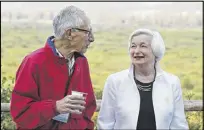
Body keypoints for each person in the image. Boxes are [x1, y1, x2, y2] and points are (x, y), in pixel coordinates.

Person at [10, 6, 96, 130]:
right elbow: (21, 114)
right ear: (70, 33)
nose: (92, 38)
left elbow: (88, 108)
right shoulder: (33, 62)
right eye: (87, 32)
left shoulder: (81, 62)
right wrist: (55, 107)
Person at [97, 28, 189, 129]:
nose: (136, 51)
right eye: (133, 46)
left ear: (156, 50)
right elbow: (105, 123)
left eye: (143, 46)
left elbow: (179, 125)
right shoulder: (114, 81)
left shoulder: (172, 83)